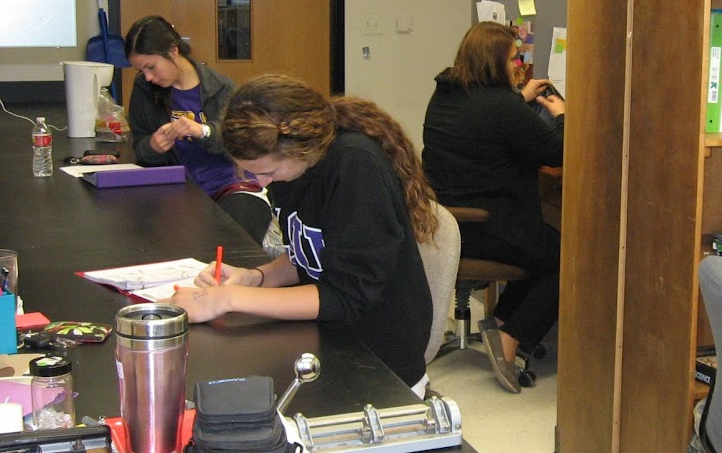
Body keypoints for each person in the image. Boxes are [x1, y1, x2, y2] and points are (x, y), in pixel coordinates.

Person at [168, 73, 437, 395]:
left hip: (377, 359)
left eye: (266, 172)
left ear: (300, 150)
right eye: (250, 172)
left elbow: (347, 294)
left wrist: (227, 298)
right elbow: (309, 254)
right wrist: (253, 278)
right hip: (324, 339)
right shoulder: (291, 171)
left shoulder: (355, 167)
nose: (261, 183)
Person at [422, 20, 565, 393]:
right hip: (491, 228)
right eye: (514, 58)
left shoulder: (447, 94)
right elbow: (556, 150)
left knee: (545, 250)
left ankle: (500, 324)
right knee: (567, 258)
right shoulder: (500, 105)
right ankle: (511, 337)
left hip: (449, 226)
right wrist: (563, 114)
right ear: (495, 60)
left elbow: (486, 124)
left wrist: (520, 99)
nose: (518, 65)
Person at [125, 16, 273, 244]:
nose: (148, 77)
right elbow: (141, 149)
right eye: (142, 70)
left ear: (173, 51)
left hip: (230, 186)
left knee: (234, 242)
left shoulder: (221, 87)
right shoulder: (145, 89)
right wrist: (152, 146)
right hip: (175, 189)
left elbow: (241, 143)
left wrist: (204, 131)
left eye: (151, 67)